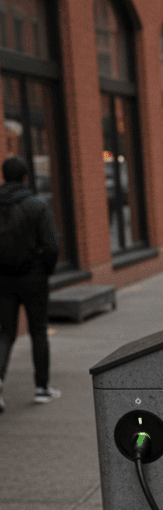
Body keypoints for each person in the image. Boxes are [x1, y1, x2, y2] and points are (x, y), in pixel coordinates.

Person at [0, 156, 61, 411]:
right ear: (25, 176)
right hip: (34, 278)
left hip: (2, 279)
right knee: (38, 330)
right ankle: (42, 387)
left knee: (4, 332)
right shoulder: (37, 206)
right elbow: (52, 246)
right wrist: (44, 270)